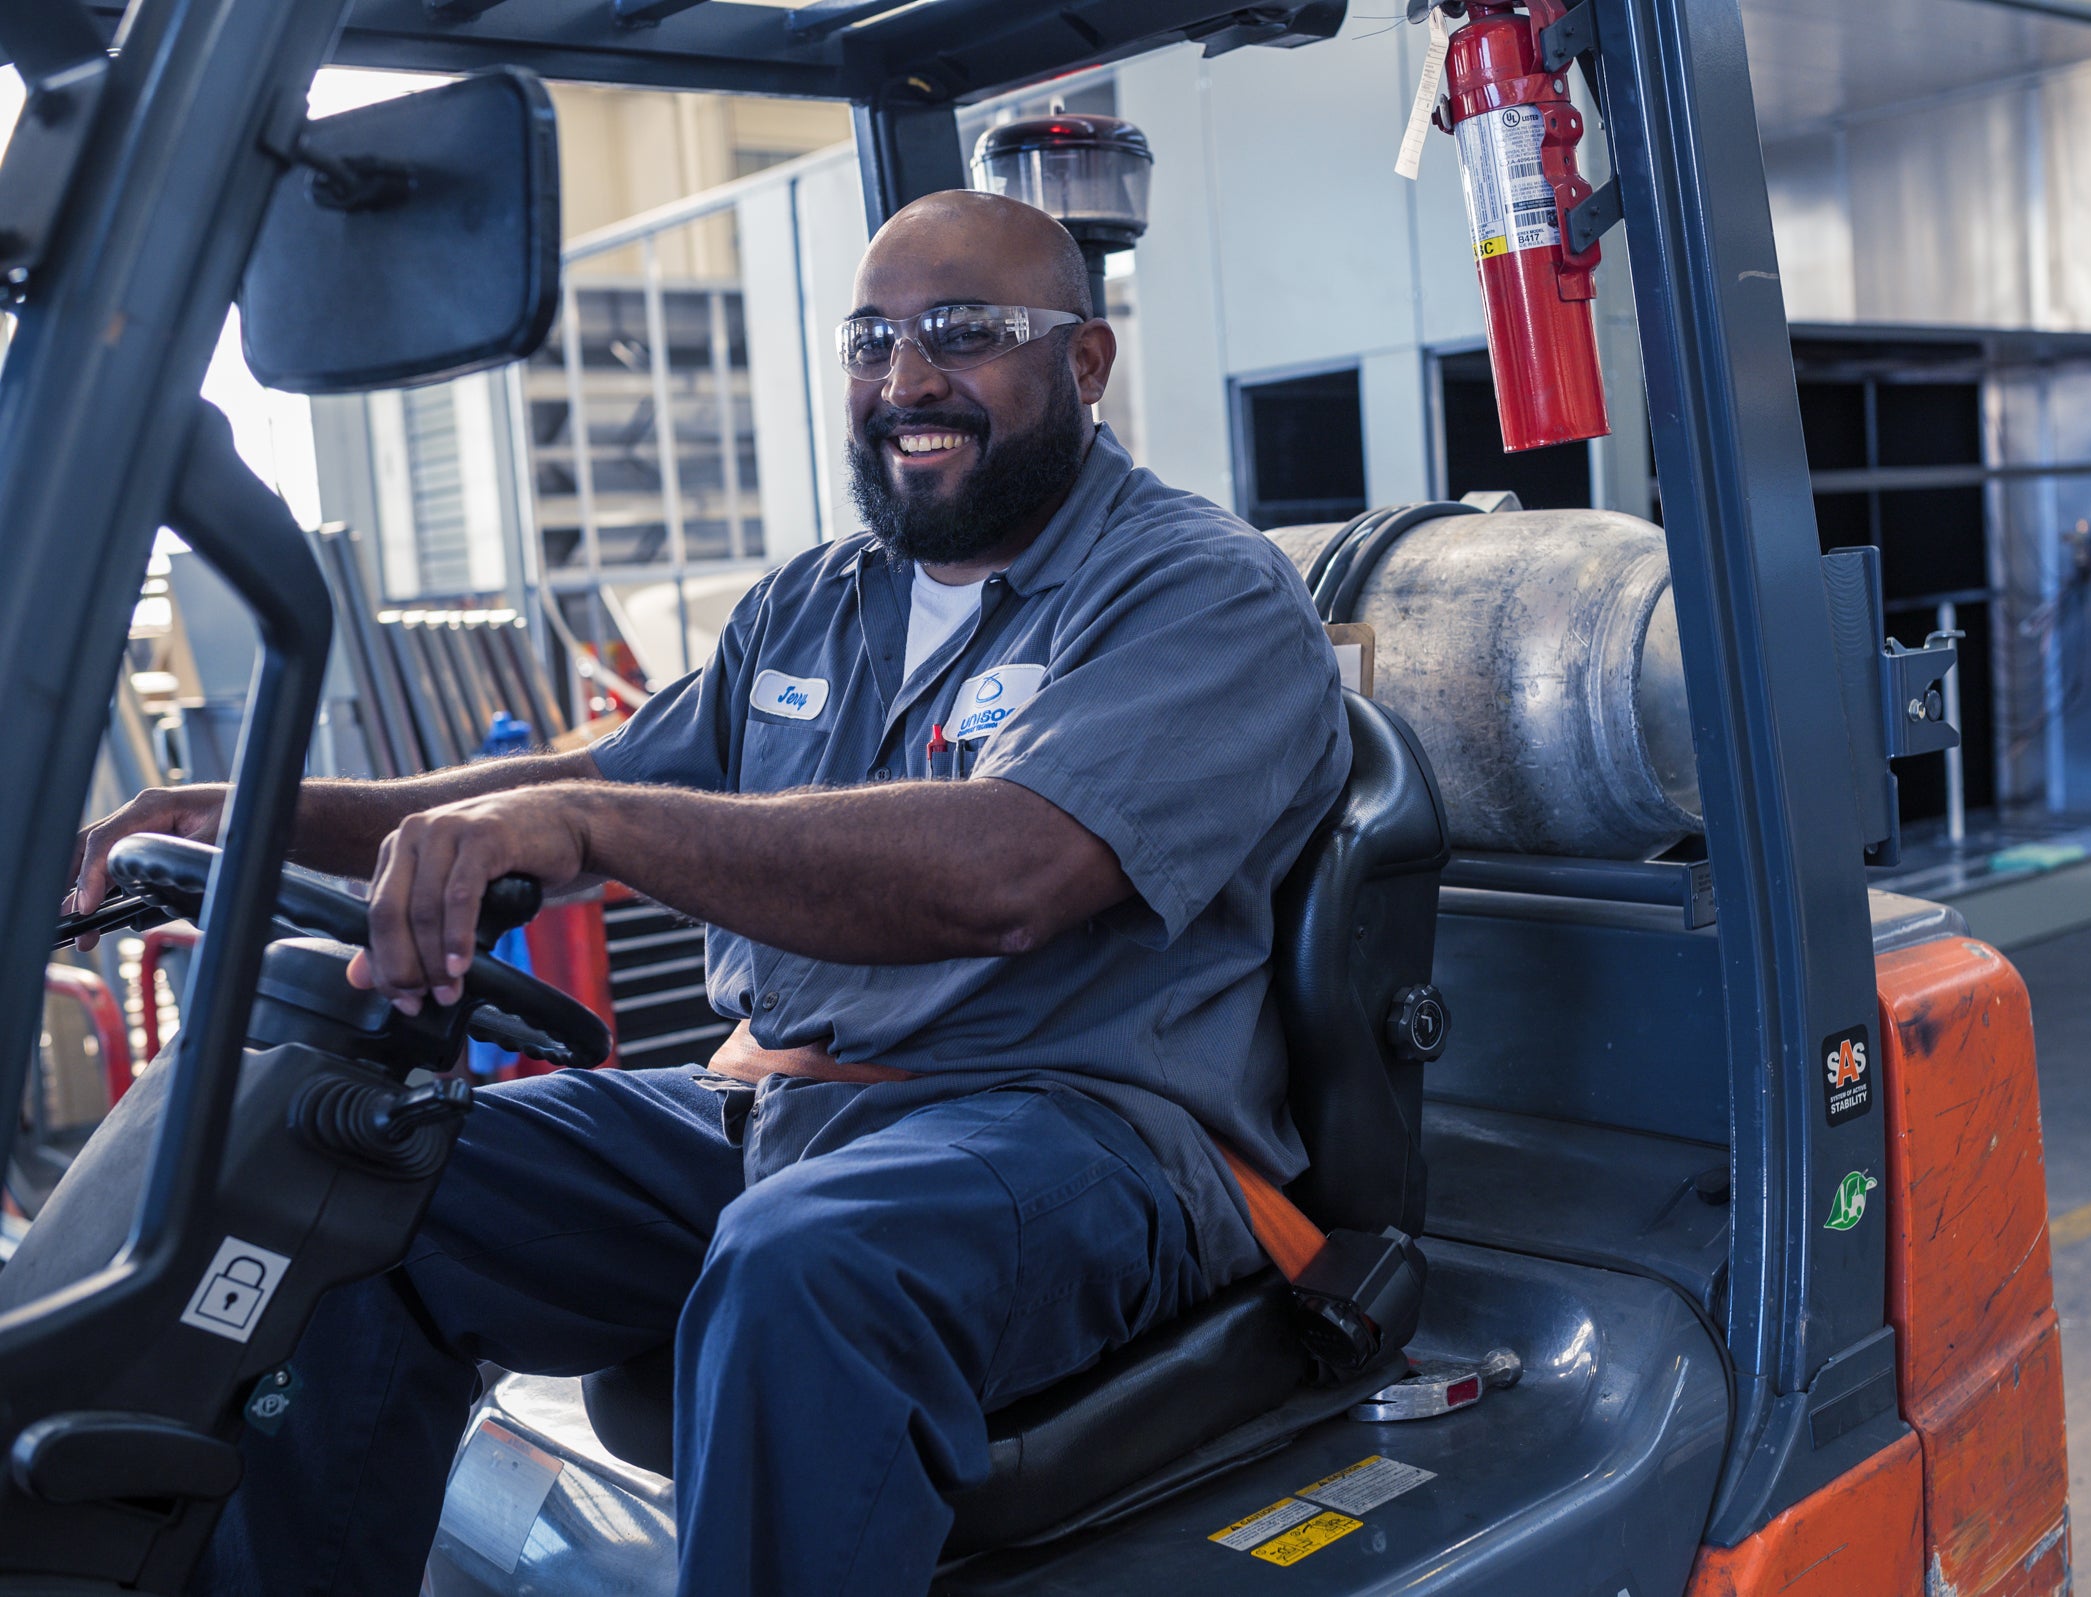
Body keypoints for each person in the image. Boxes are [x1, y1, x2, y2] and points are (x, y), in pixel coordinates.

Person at [66, 190, 1350, 1596]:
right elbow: (593, 779)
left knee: (811, 1263)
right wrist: (257, 814)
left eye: (964, 334)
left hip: (1077, 1129)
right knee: (363, 1179)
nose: (907, 379)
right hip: (778, 1111)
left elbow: (1009, 874)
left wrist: (593, 820)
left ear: (1087, 364)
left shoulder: (1196, 593)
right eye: (873, 340)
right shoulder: (811, 606)